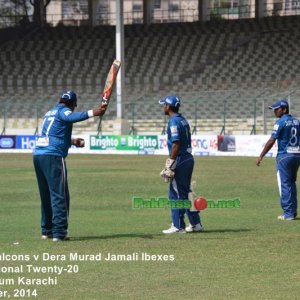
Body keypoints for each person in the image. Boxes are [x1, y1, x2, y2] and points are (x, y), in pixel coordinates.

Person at [33, 91, 107, 241]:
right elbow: (70, 117)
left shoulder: (50, 112)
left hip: (38, 155)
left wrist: (73, 141)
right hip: (53, 156)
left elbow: (55, 133)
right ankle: (59, 233)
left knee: (46, 195)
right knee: (60, 196)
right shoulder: (64, 111)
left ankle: (47, 231)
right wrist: (94, 112)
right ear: (73, 104)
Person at [159, 95, 203, 233]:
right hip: (187, 158)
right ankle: (196, 224)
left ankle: (178, 226)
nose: (163, 107)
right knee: (186, 192)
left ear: (168, 106)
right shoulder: (182, 119)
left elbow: (176, 143)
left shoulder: (173, 122)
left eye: (164, 105)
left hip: (180, 158)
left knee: (175, 193)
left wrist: (170, 164)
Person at [256, 99, 300, 220]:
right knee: (291, 183)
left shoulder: (280, 122)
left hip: (284, 156)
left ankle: (288, 213)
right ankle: (293, 211)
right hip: (297, 155)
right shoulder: (297, 121)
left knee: (284, 184)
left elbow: (271, 140)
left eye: (277, 109)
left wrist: (261, 156)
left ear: (284, 109)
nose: (275, 111)